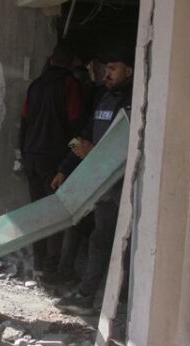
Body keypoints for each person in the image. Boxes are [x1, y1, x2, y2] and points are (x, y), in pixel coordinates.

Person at [55, 48, 134, 315]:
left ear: (130, 71)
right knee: (100, 239)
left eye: (113, 68)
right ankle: (97, 295)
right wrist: (65, 168)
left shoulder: (135, 103)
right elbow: (87, 134)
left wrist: (94, 152)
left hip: (123, 184)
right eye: (106, 68)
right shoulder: (103, 98)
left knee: (113, 241)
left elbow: (129, 146)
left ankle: (93, 297)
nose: (107, 73)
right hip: (103, 183)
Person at [19, 44, 85, 280]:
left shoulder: (35, 85)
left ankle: (38, 264)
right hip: (55, 159)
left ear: (50, 59)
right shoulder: (70, 85)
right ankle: (51, 268)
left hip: (32, 157)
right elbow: (75, 124)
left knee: (38, 211)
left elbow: (24, 121)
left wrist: (24, 153)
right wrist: (70, 158)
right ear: (71, 63)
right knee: (56, 213)